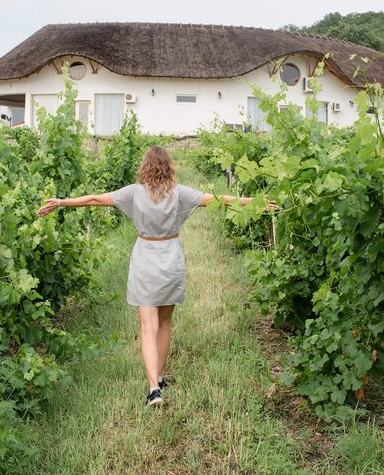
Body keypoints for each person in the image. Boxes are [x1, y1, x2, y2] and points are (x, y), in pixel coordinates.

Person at [36, 145, 274, 407]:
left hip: (145, 260)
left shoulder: (133, 193)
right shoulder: (180, 193)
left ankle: (153, 388)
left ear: (145, 167)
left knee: (148, 328)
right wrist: (255, 203)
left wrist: (60, 202)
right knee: (164, 325)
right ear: (169, 167)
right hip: (171, 259)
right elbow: (219, 199)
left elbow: (94, 199)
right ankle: (158, 377)